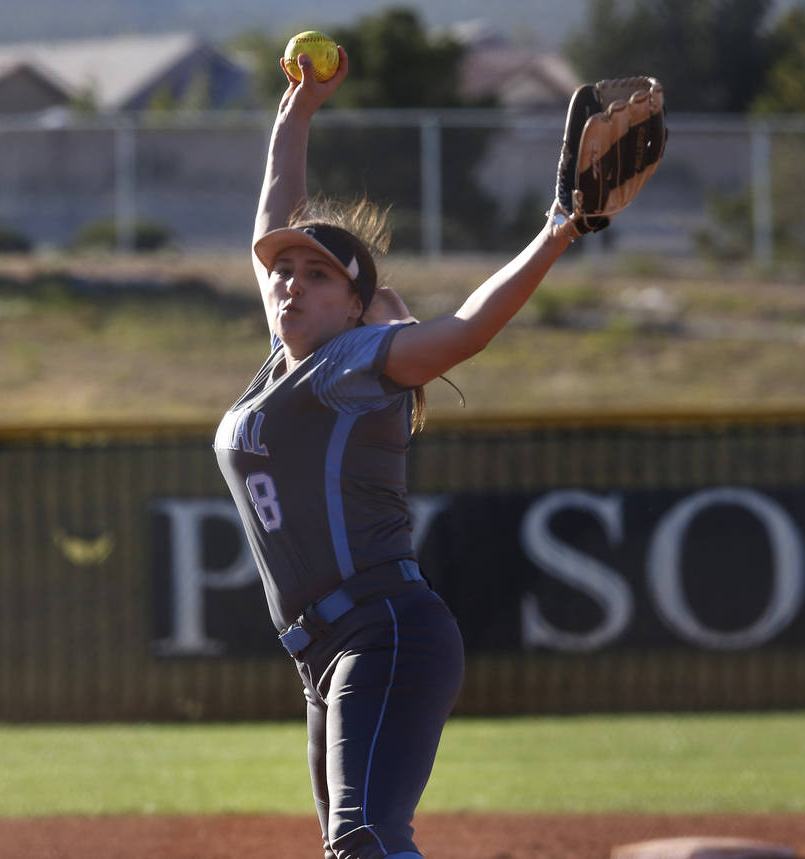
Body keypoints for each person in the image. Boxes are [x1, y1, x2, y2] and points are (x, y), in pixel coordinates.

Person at [213, 46, 574, 859]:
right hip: (327, 652)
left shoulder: (350, 364)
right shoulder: (287, 362)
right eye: (283, 273)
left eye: (315, 274)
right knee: (357, 845)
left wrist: (559, 229)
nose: (288, 283)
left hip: (384, 633)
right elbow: (277, 208)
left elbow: (470, 327)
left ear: (354, 308)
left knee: (366, 838)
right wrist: (297, 110)